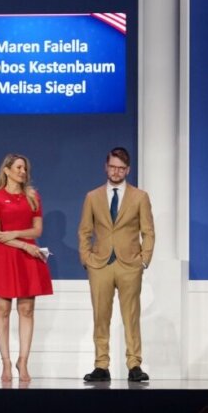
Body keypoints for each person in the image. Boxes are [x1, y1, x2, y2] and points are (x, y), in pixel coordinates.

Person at [78, 147, 155, 383]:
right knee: (101, 316)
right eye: (112, 166)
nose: (116, 171)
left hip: (129, 264)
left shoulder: (139, 197)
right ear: (106, 166)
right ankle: (101, 365)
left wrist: (144, 259)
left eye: (121, 168)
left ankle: (134, 364)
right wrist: (87, 259)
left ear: (128, 170)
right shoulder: (93, 196)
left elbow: (148, 231)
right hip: (100, 264)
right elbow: (84, 231)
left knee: (131, 316)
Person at [0, 153, 53, 384]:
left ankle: (23, 361)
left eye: (25, 168)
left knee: (27, 309)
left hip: (27, 258)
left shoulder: (33, 196)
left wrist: (17, 234)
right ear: (7, 170)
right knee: (2, 309)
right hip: (4, 256)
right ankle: (6, 362)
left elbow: (37, 230)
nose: (23, 172)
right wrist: (20, 243)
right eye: (19, 167)